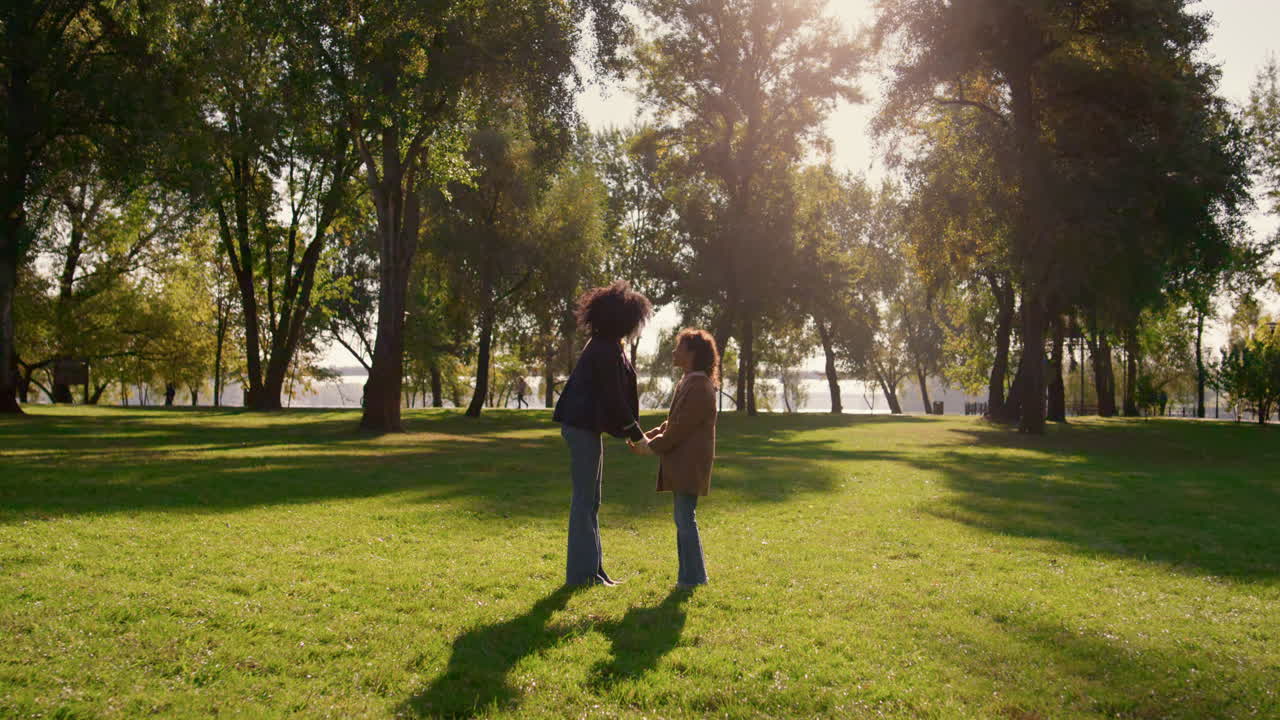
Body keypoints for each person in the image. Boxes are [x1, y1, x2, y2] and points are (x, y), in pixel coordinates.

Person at [552, 281, 653, 586]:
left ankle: (594, 571)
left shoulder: (607, 345)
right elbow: (613, 397)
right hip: (581, 428)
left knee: (591, 501)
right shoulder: (604, 348)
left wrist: (632, 431)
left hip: (586, 428)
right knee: (585, 501)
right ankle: (582, 575)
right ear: (622, 319)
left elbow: (616, 396)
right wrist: (636, 434)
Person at [630, 328, 718, 588]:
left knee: (684, 518)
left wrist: (650, 447)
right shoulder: (690, 381)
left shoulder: (700, 385)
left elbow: (680, 427)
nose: (674, 351)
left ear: (692, 354)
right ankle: (692, 577)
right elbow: (673, 422)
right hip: (683, 461)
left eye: (679, 347)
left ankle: (693, 578)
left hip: (690, 462)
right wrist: (647, 437)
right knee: (683, 518)